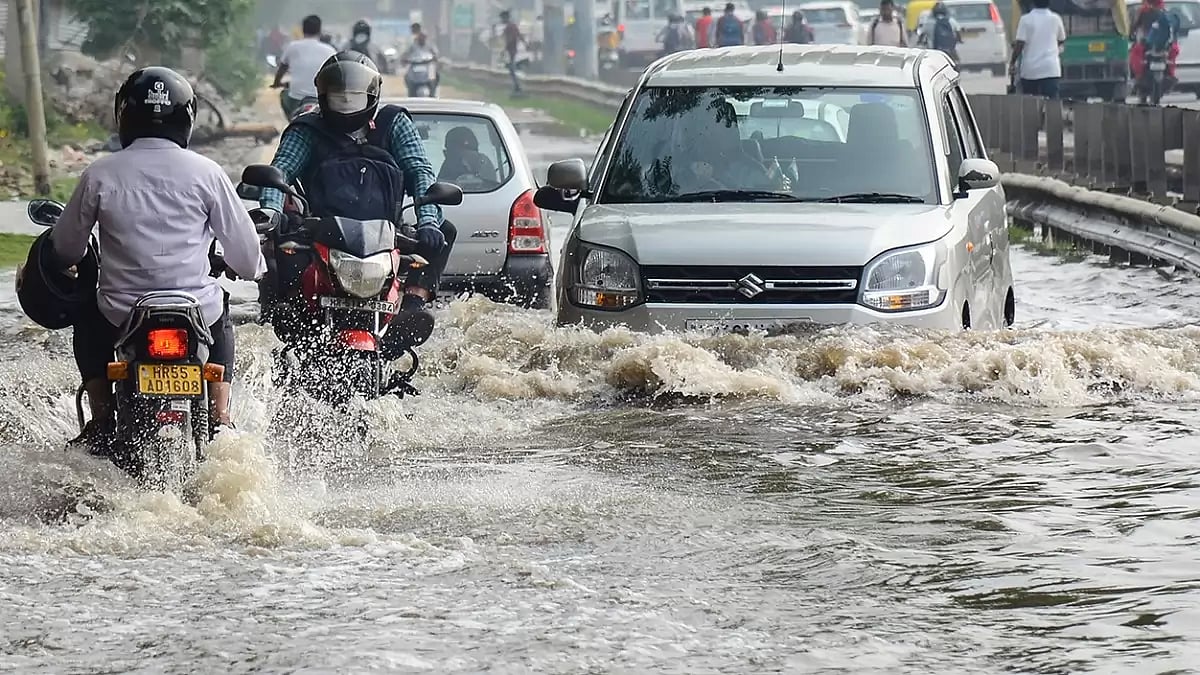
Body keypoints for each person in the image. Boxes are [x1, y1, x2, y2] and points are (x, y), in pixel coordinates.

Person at [48, 67, 266, 451]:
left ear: (124, 114)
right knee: (221, 307)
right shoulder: (208, 173)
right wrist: (243, 266)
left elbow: (65, 248)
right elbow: (247, 260)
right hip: (195, 312)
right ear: (187, 117)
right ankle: (220, 417)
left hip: (120, 313)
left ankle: (101, 419)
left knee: (87, 314)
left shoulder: (100, 174)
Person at [257, 52, 455, 349]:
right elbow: (281, 171)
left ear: (372, 96)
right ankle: (292, 311)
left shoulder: (394, 123)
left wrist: (428, 221)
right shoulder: (307, 130)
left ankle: (413, 303)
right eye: (339, 98)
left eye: (354, 98)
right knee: (281, 240)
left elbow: (420, 171)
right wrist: (270, 211)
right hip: (320, 233)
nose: (347, 105)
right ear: (324, 96)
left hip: (386, 235)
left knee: (444, 231)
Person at [272, 15, 337, 119]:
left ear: (302, 29)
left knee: (284, 94)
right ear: (319, 30)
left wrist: (277, 83)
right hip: (320, 97)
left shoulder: (292, 47)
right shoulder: (330, 50)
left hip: (296, 98)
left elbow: (282, 69)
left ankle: (293, 122)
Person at [1009, 0, 1065, 98]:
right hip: (1050, 69)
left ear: (1033, 3)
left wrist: (1012, 62)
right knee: (1052, 103)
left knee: (1031, 103)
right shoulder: (1056, 19)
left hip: (1030, 71)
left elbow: (1019, 44)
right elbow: (1061, 39)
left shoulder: (1025, 20)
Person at [1130, 0, 1180, 89]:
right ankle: (1170, 74)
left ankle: (1139, 76)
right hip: (1160, 45)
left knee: (1136, 52)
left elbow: (1134, 27)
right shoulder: (1166, 13)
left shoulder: (1144, 11)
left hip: (1150, 44)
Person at [402, 23, 442, 96]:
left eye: (423, 37)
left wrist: (436, 59)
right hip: (414, 65)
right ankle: (410, 92)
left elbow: (436, 54)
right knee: (407, 76)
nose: (422, 39)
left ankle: (433, 92)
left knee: (436, 75)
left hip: (427, 65)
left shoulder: (430, 45)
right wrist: (404, 59)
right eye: (420, 37)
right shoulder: (412, 45)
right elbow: (406, 53)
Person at [501, 10, 528, 95]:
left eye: (502, 18)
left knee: (512, 69)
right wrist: (525, 43)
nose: (501, 20)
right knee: (511, 69)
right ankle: (517, 87)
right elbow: (519, 35)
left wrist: (504, 50)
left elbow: (510, 39)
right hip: (512, 50)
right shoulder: (512, 26)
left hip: (512, 51)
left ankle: (518, 87)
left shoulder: (510, 27)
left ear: (505, 18)